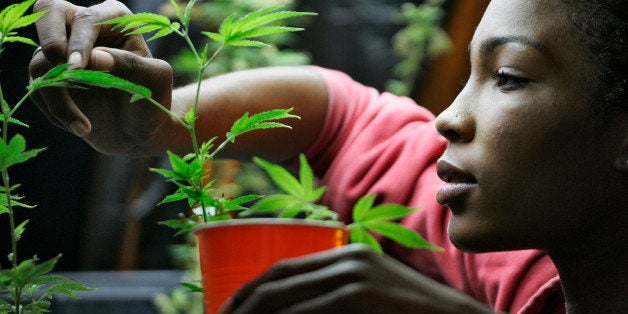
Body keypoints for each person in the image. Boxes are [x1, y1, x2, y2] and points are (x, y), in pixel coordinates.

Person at [28, 0, 626, 313]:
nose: (448, 117)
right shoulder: (529, 271)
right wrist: (161, 121)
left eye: (509, 77)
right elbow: (342, 117)